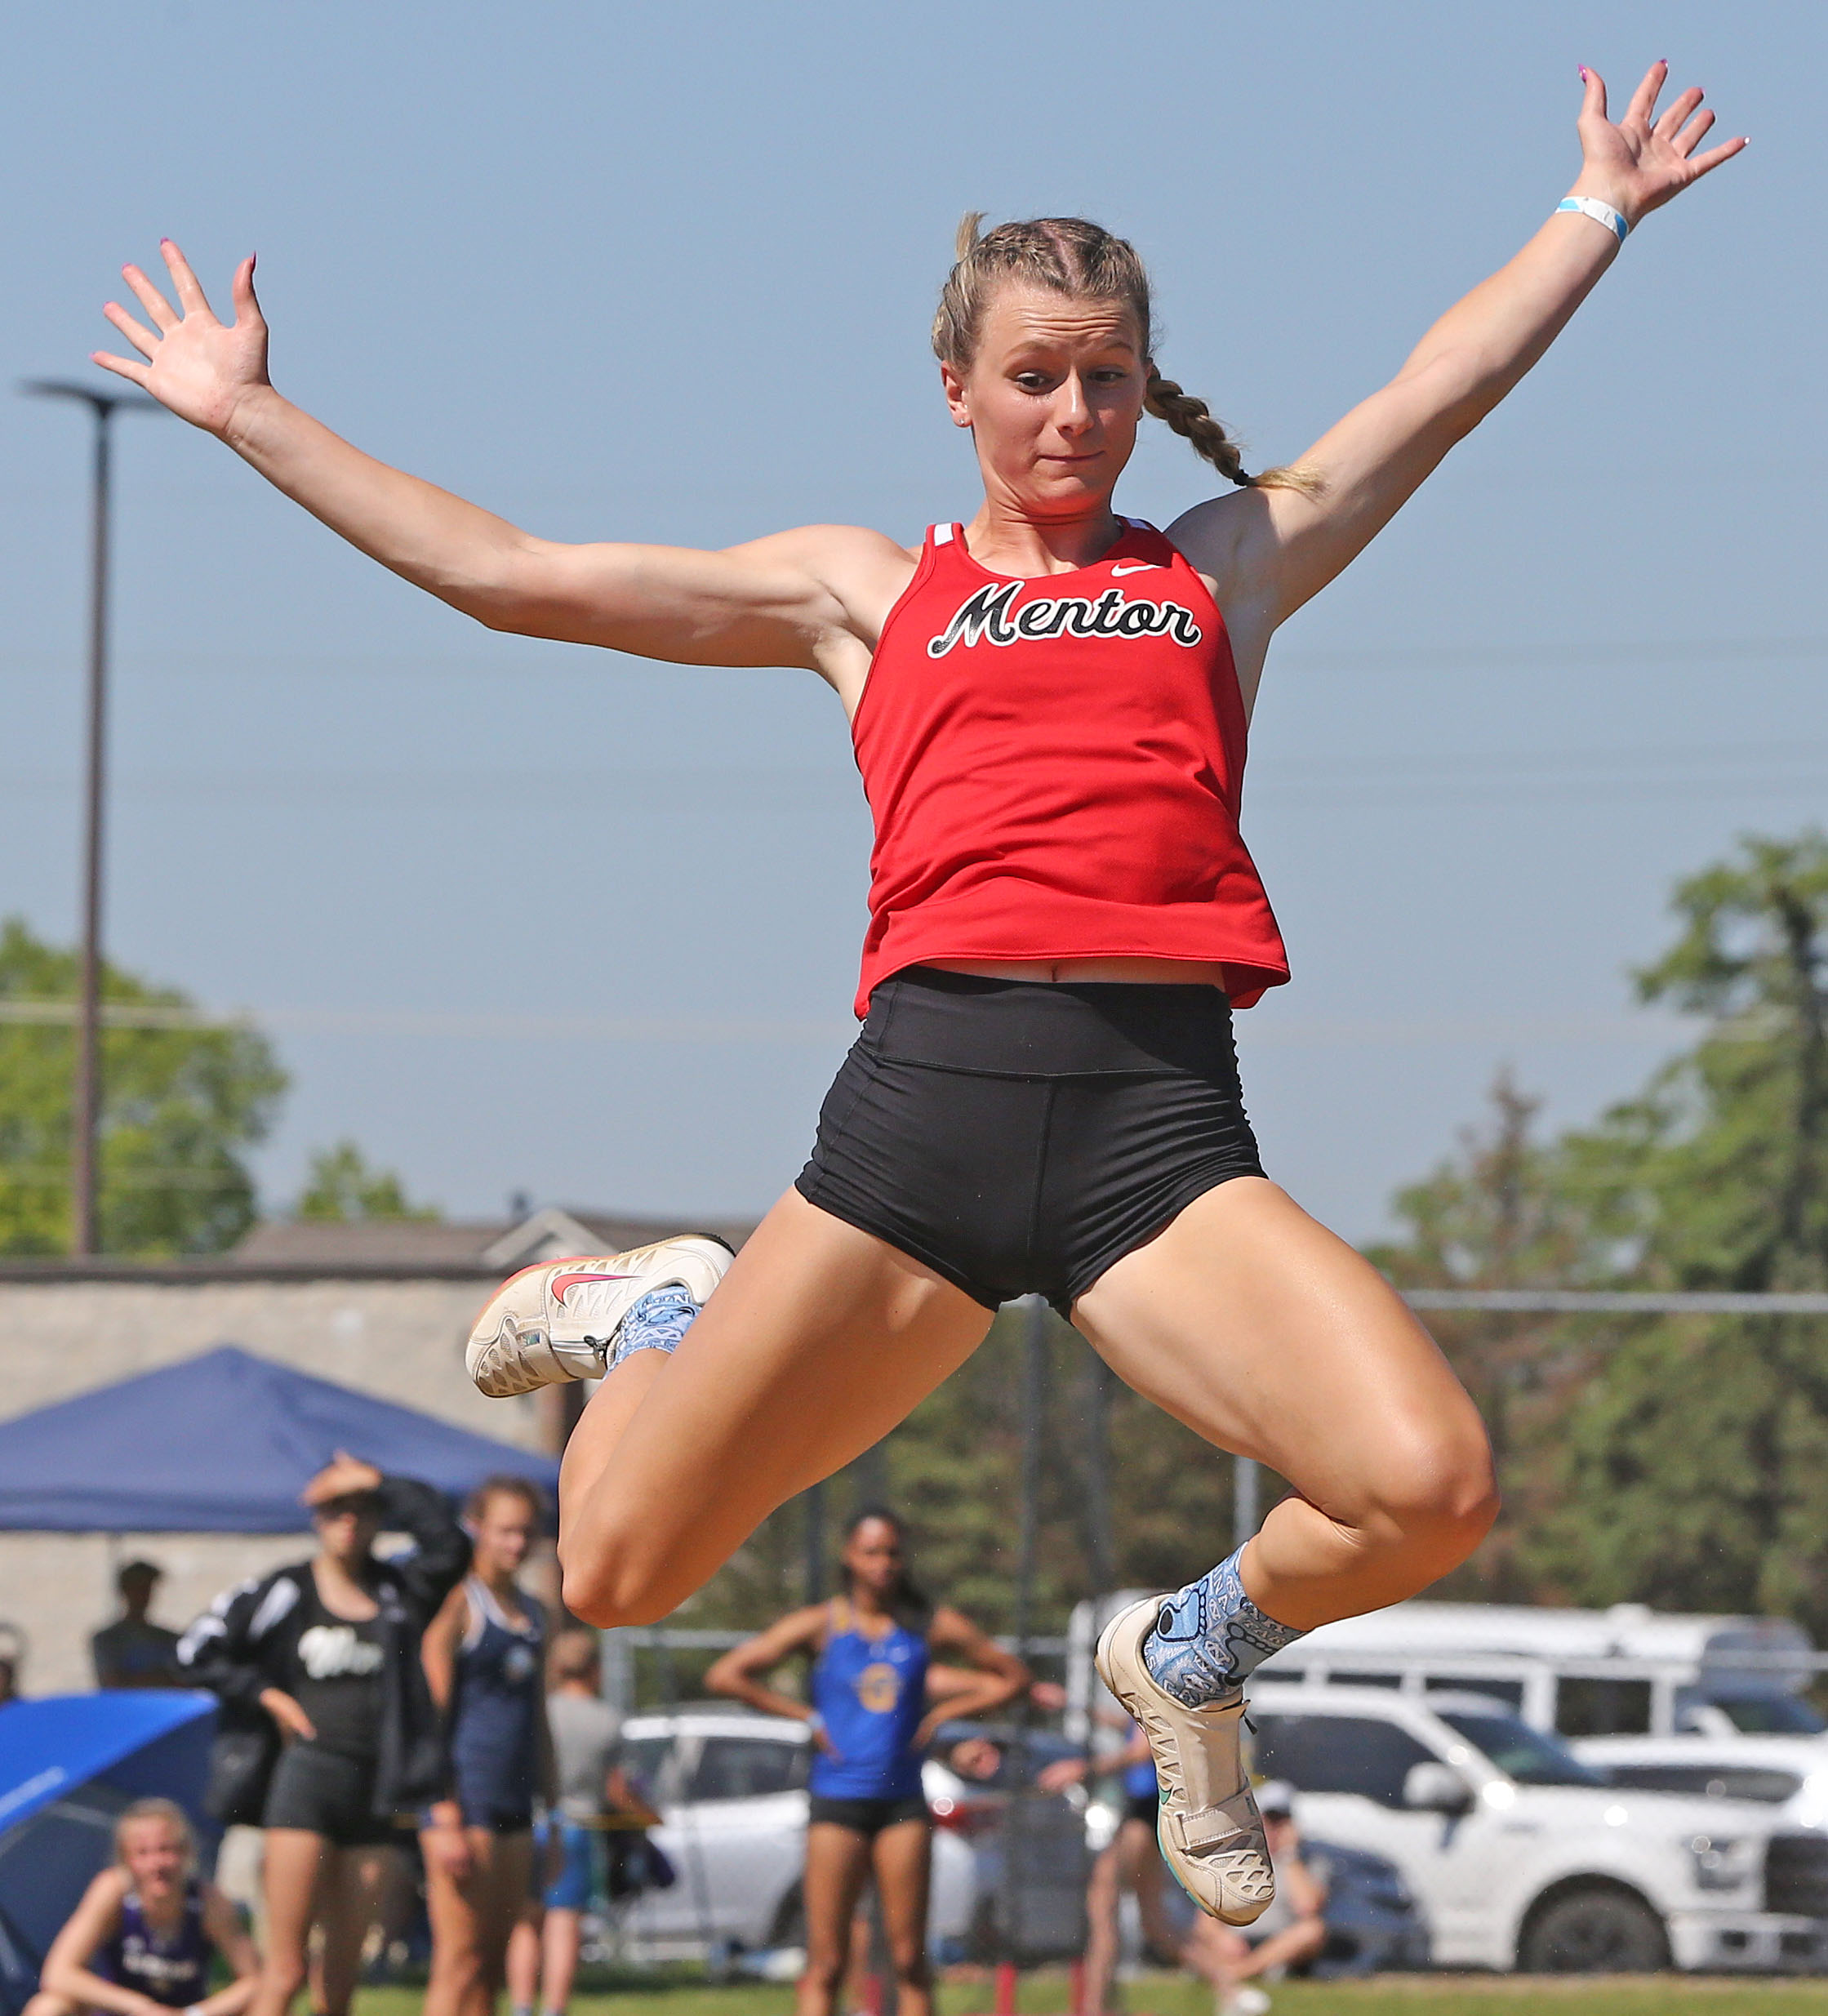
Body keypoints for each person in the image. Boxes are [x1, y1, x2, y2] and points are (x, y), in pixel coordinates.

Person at [104, 62, 1741, 1930]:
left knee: (1427, 1482)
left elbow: (1427, 397)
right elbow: (518, 578)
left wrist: (1591, 207)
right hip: (915, 1134)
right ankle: (661, 1317)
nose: (1070, 411)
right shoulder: (862, 592)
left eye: (1104, 376)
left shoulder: (1218, 567)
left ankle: (1189, 1658)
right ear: (954, 386)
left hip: (1154, 1134)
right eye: (1031, 375)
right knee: (617, 1576)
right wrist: (249, 414)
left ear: (1144, 384)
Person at [176, 1455, 469, 2016]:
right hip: (305, 1785)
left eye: (362, 1509)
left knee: (340, 1980)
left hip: (375, 1790)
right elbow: (196, 1649)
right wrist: (266, 1694)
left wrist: (379, 1480)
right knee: (284, 1970)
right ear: (316, 1516)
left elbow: (450, 1546)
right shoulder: (285, 1590)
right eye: (337, 1508)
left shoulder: (397, 1593)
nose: (350, 1520)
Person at [705, 1510, 1027, 2016]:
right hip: (837, 1804)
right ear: (849, 1557)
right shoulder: (822, 1624)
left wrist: (943, 1713)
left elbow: (1012, 1676)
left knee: (908, 1961)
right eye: (871, 1552)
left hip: (902, 1805)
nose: (883, 1564)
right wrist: (807, 1716)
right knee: (827, 1963)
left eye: (893, 1552)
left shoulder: (925, 1625)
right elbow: (727, 1675)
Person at [420, 1477, 551, 2016]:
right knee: (459, 1960)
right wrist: (443, 1810)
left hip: (516, 1803)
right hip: (464, 1801)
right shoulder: (458, 1604)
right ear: (476, 1529)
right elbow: (431, 1718)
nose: (516, 1544)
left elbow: (539, 1719)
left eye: (525, 1532)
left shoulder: (537, 1613)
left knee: (493, 1962)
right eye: (504, 1531)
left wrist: (556, 1807)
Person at [504, 1630, 641, 2016]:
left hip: (531, 1823)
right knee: (564, 1925)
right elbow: (617, 1789)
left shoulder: (539, 1711)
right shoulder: (607, 1720)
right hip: (578, 1825)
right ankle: (555, 2008)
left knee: (526, 1922)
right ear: (595, 1669)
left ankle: (521, 2005)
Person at [27, 1799, 260, 2016]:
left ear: (185, 1852)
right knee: (48, 2006)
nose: (156, 1864)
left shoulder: (207, 1901)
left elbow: (256, 1981)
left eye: (165, 1850)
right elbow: (57, 1974)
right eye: (142, 1853)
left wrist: (195, 2013)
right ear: (126, 1859)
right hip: (122, 2009)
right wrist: (141, 2007)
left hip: (183, 2010)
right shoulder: (113, 1892)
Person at [1039, 1721, 1178, 2016]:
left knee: (1103, 1905)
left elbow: (1141, 1749)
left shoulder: (1156, 1683)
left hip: (1145, 1810)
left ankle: (1094, 2007)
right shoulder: (1153, 1685)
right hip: (1148, 1810)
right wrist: (1075, 1706)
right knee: (1154, 1922)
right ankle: (1232, 1986)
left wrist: (1084, 1768)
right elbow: (1128, 1719)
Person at [1181, 1784, 1325, 2016]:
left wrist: (1289, 1855)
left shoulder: (1308, 1860)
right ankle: (1238, 1981)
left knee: (1312, 1930)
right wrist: (1222, 1938)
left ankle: (1236, 1974)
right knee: (1203, 1932)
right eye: (1270, 1818)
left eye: (1282, 1820)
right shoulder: (1237, 1856)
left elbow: (1308, 1907)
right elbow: (1207, 1915)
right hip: (1239, 1940)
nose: (1275, 1827)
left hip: (1279, 1947)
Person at [92, 1562, 183, 1691]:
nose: (142, 1596)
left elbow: (183, 1681)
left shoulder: (169, 1639)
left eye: (146, 1589)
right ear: (124, 1591)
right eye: (137, 1588)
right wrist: (162, 1679)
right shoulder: (107, 1639)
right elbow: (113, 1684)